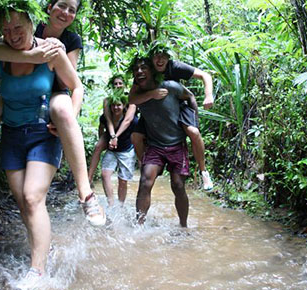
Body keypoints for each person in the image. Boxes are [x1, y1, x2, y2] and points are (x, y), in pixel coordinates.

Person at [0, 0, 105, 290]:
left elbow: (74, 84)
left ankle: (37, 271)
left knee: (33, 196)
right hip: (13, 129)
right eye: (7, 29)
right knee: (25, 202)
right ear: (47, 11)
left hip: (51, 107)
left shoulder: (62, 43)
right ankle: (42, 248)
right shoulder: (3, 47)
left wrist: (67, 119)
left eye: (18, 28)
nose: (12, 33)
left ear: (31, 24)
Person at [0, 0, 86, 205]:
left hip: (54, 92)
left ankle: (85, 191)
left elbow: (71, 80)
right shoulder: (28, 24)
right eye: (62, 6)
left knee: (62, 111)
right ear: (49, 8)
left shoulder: (71, 40)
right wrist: (32, 55)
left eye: (72, 10)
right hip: (15, 92)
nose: (66, 12)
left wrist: (54, 52)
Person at [128, 41, 215, 191]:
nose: (160, 60)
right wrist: (151, 94)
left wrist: (208, 95)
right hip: (153, 110)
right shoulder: (144, 72)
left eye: (164, 57)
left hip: (179, 104)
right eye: (156, 57)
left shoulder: (175, 67)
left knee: (193, 133)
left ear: (169, 58)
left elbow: (204, 75)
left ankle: (203, 171)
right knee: (135, 137)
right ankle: (147, 164)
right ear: (151, 59)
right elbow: (132, 98)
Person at [131, 56, 195, 227]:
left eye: (143, 68)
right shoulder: (137, 93)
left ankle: (183, 225)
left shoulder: (170, 87)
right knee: (145, 182)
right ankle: (139, 226)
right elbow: (130, 100)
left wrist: (193, 123)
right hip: (154, 146)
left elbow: (190, 96)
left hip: (177, 145)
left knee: (178, 185)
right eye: (136, 70)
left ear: (152, 71)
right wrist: (151, 94)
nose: (139, 72)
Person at [87, 74, 137, 184]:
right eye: (115, 84)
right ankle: (88, 179)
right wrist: (112, 136)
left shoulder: (131, 100)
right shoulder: (107, 101)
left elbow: (127, 121)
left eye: (120, 83)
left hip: (128, 131)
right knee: (98, 147)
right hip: (111, 131)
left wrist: (116, 136)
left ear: (124, 85)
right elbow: (108, 120)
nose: (118, 86)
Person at [97, 90, 138, 206]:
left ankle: (120, 205)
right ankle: (110, 203)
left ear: (124, 105)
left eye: (118, 105)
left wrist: (140, 157)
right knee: (105, 174)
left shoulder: (133, 120)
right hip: (112, 151)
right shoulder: (105, 118)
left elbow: (138, 137)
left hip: (126, 151)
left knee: (123, 181)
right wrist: (103, 141)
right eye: (113, 105)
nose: (116, 108)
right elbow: (101, 128)